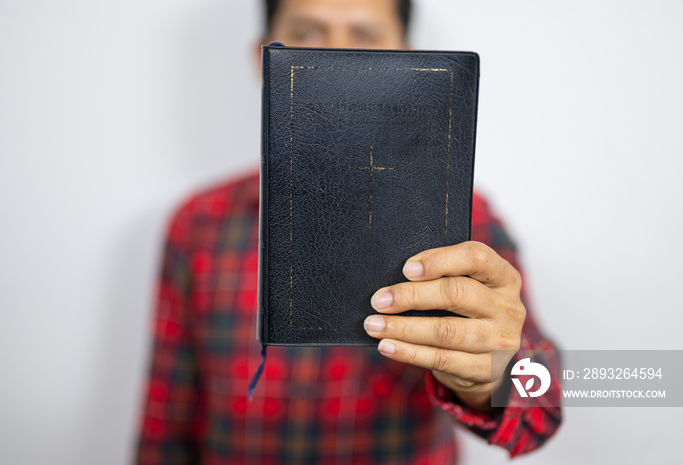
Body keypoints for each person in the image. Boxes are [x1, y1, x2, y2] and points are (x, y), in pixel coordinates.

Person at [135, 0, 562, 463]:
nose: (334, 59)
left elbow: (541, 406)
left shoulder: (465, 222)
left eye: (365, 36)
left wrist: (492, 377)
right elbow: (165, 422)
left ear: (408, 61)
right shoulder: (200, 222)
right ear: (262, 57)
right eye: (307, 34)